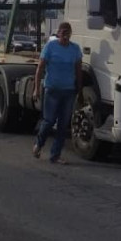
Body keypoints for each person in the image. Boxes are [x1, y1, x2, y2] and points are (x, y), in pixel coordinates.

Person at [32, 21, 82, 164]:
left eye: (68, 32)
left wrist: (80, 90)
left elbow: (78, 71)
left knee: (63, 125)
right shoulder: (50, 47)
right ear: (58, 33)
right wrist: (36, 88)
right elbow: (40, 68)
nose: (65, 35)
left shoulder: (75, 49)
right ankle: (39, 144)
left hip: (68, 91)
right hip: (52, 90)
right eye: (63, 32)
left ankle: (55, 155)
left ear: (70, 34)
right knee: (49, 121)